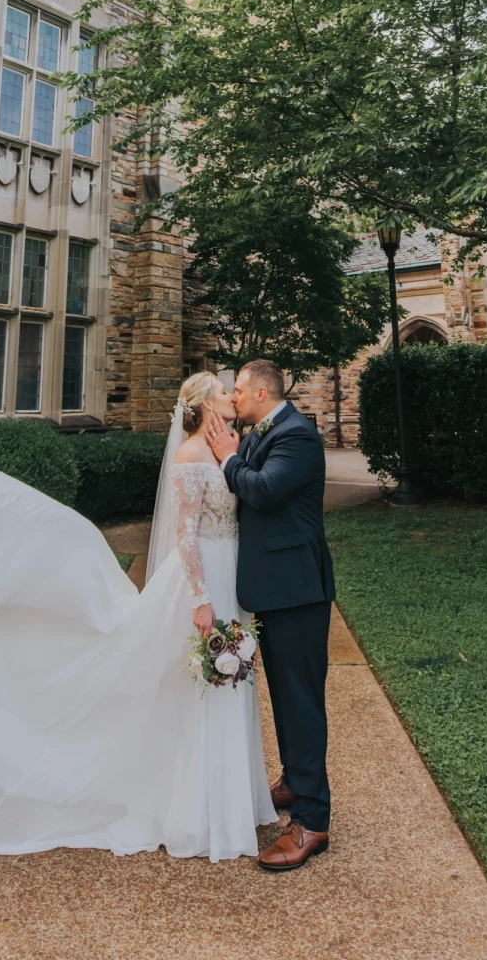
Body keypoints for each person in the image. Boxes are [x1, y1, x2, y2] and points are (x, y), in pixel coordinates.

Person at [0, 373, 276, 862]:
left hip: (228, 576)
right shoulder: (189, 455)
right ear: (206, 403)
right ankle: (198, 810)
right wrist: (201, 598)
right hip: (199, 584)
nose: (233, 396)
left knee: (223, 682)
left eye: (235, 389)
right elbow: (185, 535)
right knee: (197, 686)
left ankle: (231, 801)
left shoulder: (226, 447)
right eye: (225, 391)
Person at [205, 359, 335, 872]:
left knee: (302, 701)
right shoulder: (264, 429)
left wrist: (226, 459)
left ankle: (312, 820)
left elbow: (259, 489)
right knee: (284, 693)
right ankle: (295, 780)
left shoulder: (297, 437)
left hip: (299, 591)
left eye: (238, 390)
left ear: (261, 392)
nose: (233, 398)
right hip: (274, 589)